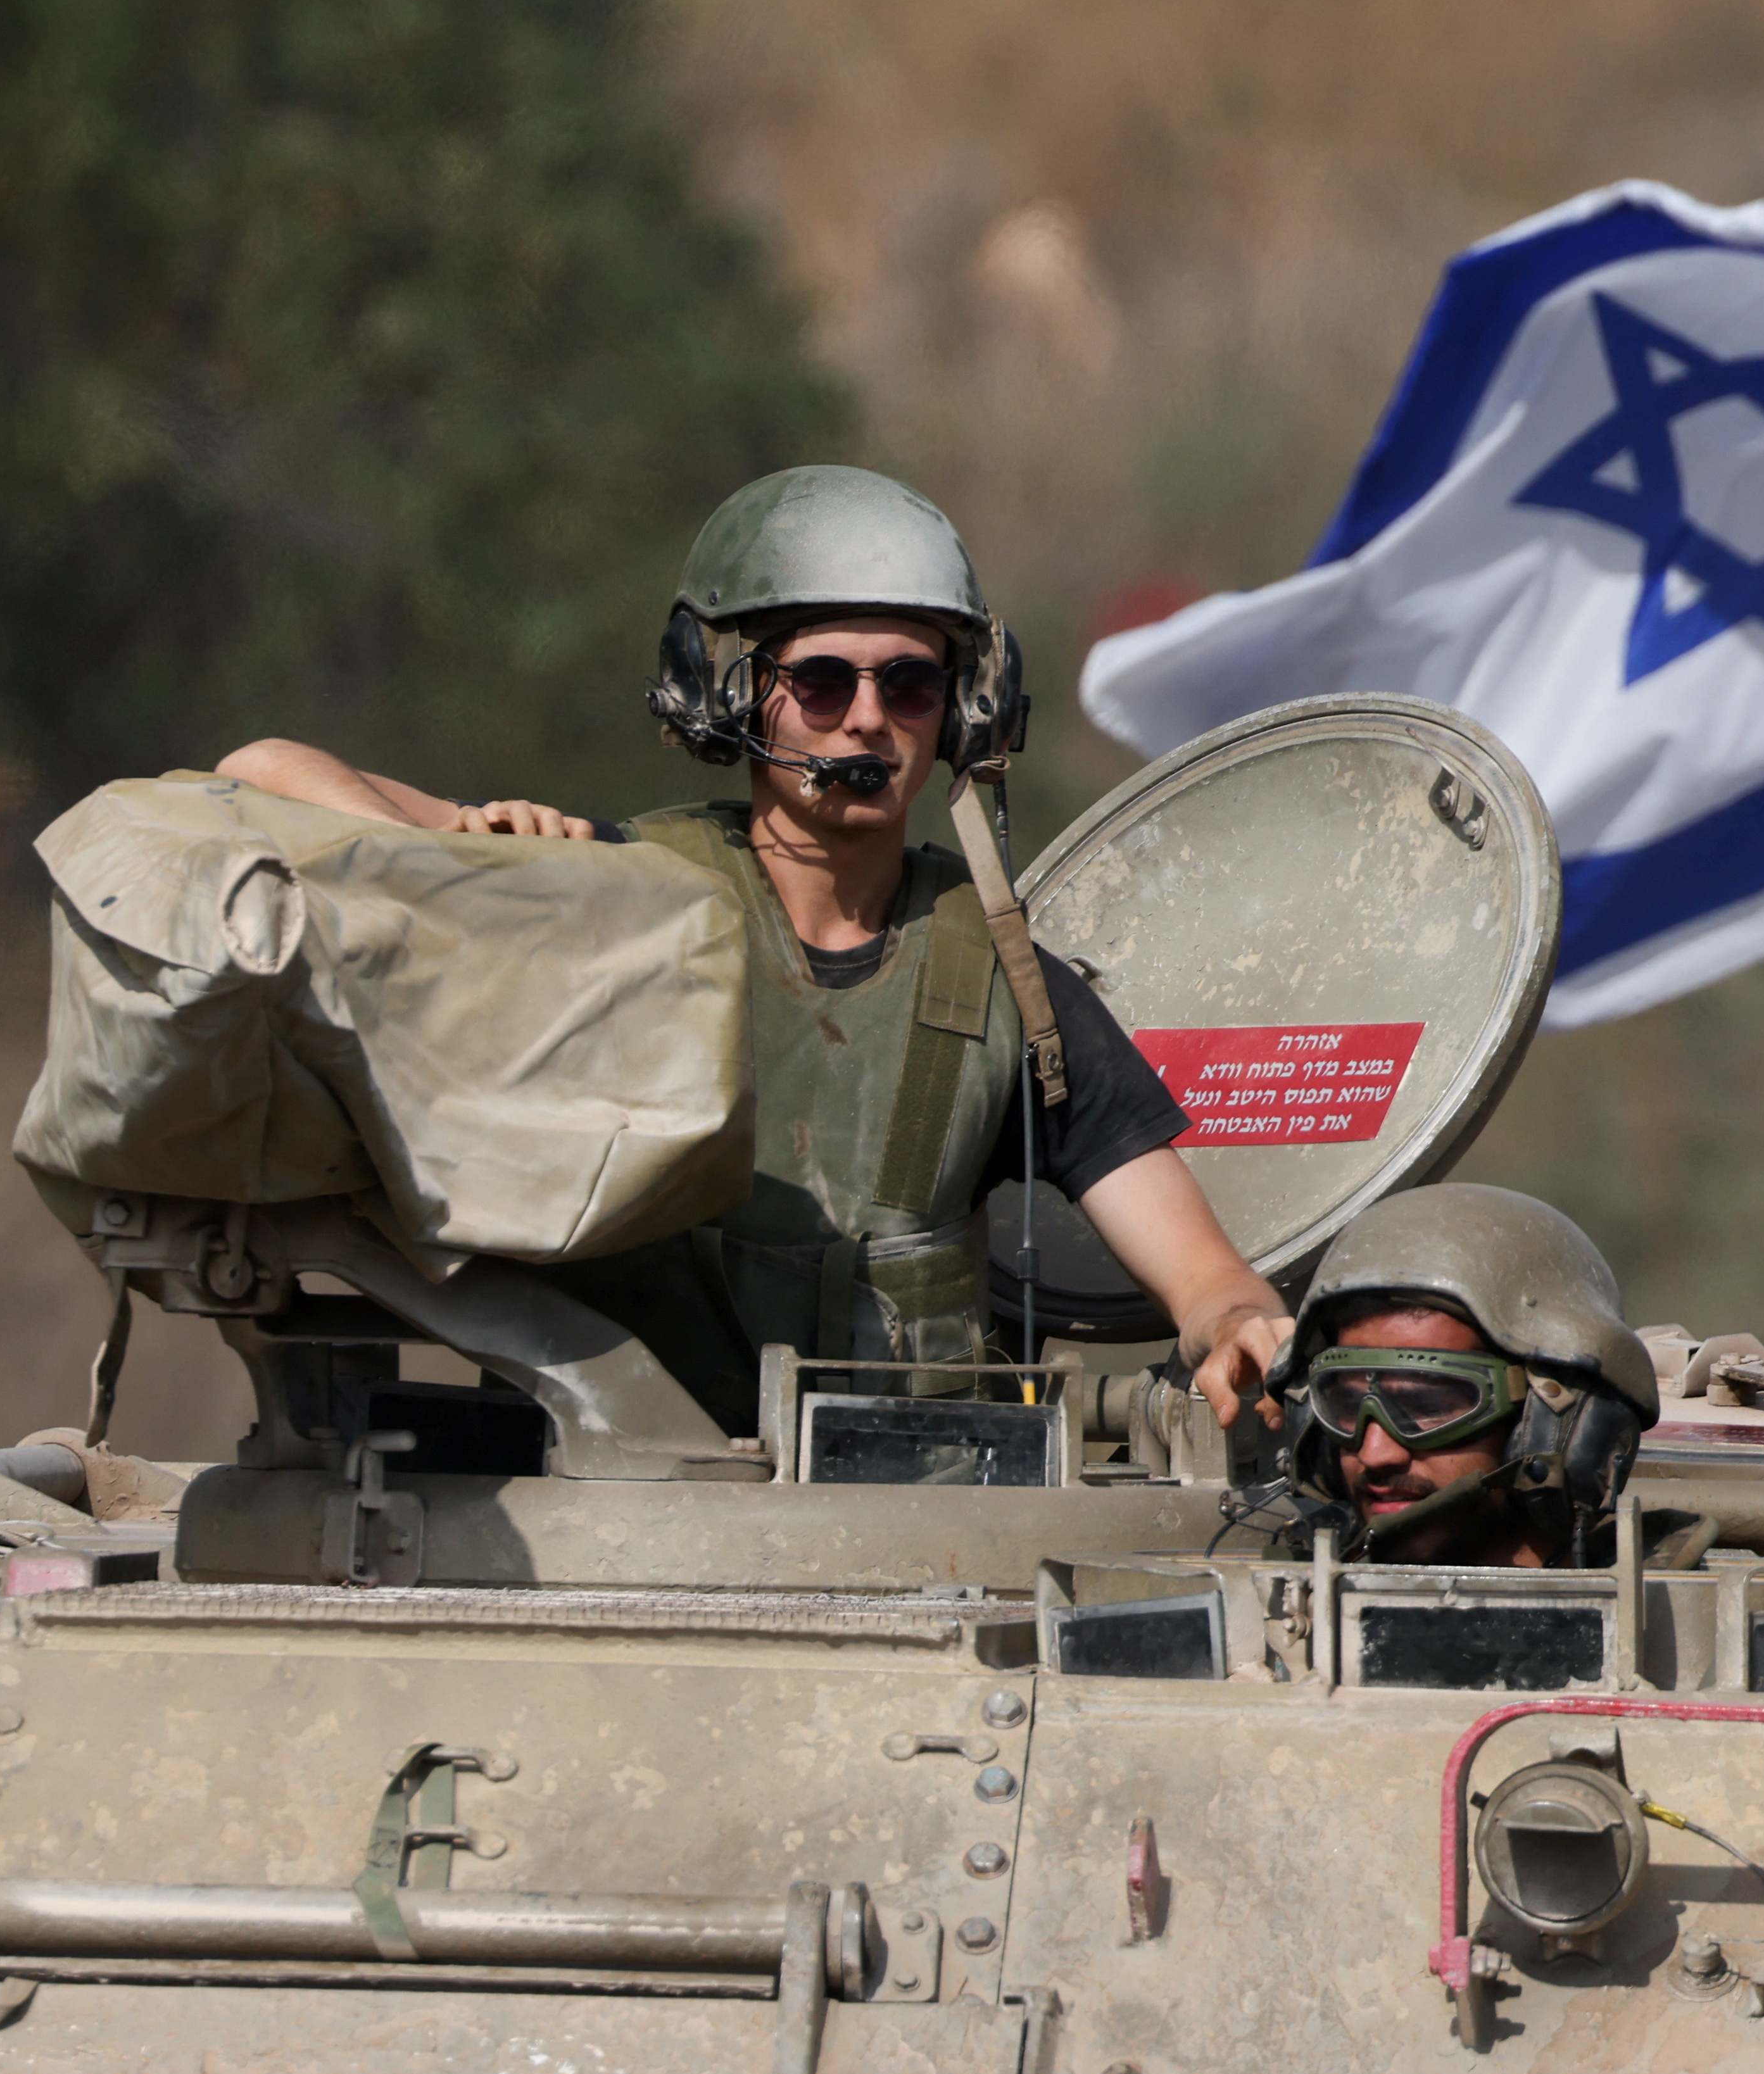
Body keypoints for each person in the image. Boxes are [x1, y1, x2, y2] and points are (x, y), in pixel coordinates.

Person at [220, 464, 1288, 1425]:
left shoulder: (1006, 982)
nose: (867, 719)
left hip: (920, 1527)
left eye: (909, 685)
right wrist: (466, 851)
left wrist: (1234, 1323)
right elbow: (261, 769)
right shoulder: (623, 902)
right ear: (734, 697)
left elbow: (1202, 1275)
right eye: (823, 682)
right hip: (618, 1508)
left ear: (962, 714)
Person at [1199, 1183, 1657, 1568]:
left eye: (1426, 1406)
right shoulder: (1282, 1608)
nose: (1375, 1453)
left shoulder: (1672, 1622)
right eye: (1346, 1404)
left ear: (1556, 1427)